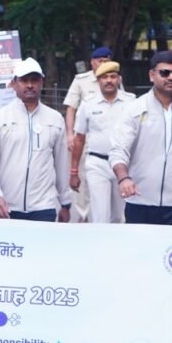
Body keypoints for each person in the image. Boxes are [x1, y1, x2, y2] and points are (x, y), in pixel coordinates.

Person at [110, 50, 172, 226]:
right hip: (141, 200)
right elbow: (118, 151)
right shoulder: (134, 109)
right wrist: (124, 179)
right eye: (165, 73)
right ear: (152, 75)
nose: (171, 77)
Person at [0, 58, 72, 222]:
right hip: (6, 206)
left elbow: (61, 163)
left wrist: (65, 202)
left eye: (34, 80)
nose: (29, 85)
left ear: (42, 82)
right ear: (14, 83)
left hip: (43, 207)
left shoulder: (55, 119)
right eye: (24, 80)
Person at [70, 61, 135, 223]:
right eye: (104, 77)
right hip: (97, 163)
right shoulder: (88, 104)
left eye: (113, 76)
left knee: (119, 215)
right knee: (100, 214)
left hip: (123, 164)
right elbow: (79, 138)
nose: (109, 81)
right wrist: (74, 171)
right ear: (98, 80)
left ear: (119, 79)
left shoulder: (131, 102)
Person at [63, 46, 112, 223]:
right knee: (82, 179)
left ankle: (107, 218)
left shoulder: (114, 79)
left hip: (105, 140)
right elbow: (71, 108)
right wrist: (70, 134)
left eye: (106, 61)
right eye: (100, 61)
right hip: (83, 139)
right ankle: (82, 216)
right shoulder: (81, 81)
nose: (103, 64)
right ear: (92, 62)